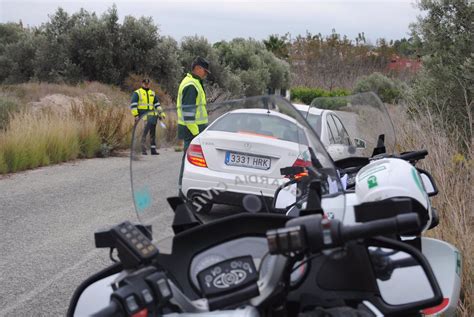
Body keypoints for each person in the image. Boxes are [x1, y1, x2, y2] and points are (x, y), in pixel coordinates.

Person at [177, 57, 210, 191]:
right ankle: (182, 191)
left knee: (192, 162)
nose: (206, 74)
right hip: (192, 131)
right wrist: (197, 134)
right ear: (197, 68)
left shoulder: (195, 82)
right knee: (188, 162)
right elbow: (188, 114)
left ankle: (187, 190)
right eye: (205, 71)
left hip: (194, 130)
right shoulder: (191, 85)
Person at [130, 77, 166, 155]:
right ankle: (142, 149)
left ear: (149, 84)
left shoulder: (152, 93)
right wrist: (135, 115)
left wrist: (161, 114)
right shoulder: (137, 93)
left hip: (152, 116)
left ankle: (153, 150)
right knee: (143, 133)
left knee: (153, 133)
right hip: (142, 117)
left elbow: (157, 105)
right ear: (142, 84)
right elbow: (133, 105)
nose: (146, 85)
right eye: (145, 84)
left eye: (147, 84)